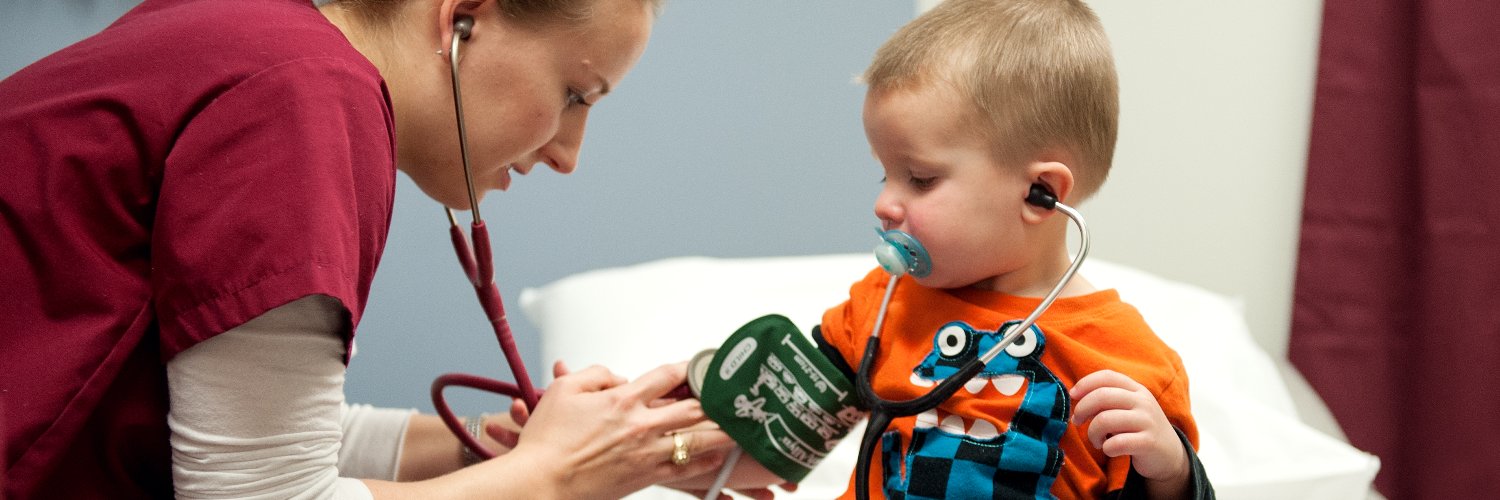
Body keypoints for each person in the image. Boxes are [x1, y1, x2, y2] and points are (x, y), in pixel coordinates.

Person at [0, 0, 753, 497]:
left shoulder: (263, 41)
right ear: (463, 17)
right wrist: (555, 475)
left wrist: (500, 450)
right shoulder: (304, 99)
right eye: (575, 95)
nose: (569, 154)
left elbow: (282, 442)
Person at [810, 0, 1215, 498]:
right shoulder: (881, 306)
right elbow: (780, 433)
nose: (883, 203)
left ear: (1039, 193)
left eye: (919, 178)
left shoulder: (1125, 362)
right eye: (884, 173)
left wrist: (1171, 474)